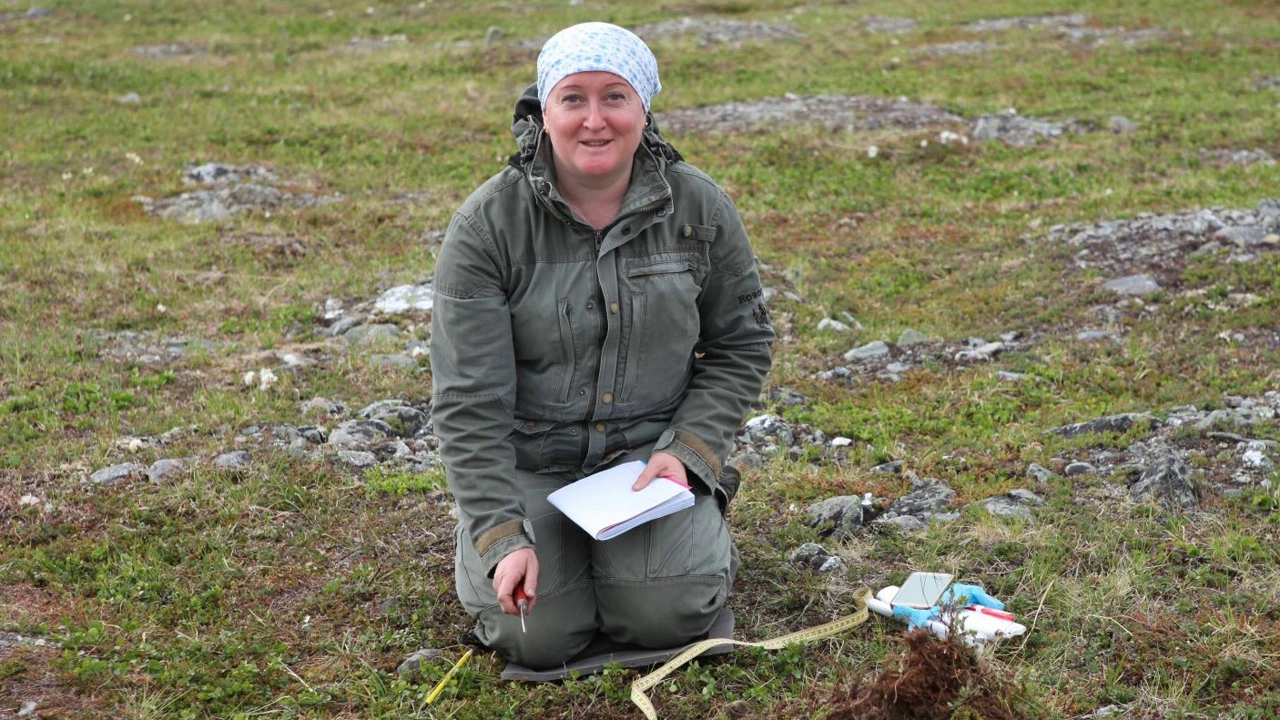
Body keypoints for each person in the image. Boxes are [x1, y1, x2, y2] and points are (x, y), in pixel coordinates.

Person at [429, 21, 774, 670]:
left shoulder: (700, 208)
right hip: (529, 461)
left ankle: (692, 527)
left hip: (648, 464)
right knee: (533, 633)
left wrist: (689, 450)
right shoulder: (486, 227)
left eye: (615, 97)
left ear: (644, 109)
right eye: (573, 98)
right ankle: (502, 542)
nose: (594, 120)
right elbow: (468, 401)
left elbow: (742, 344)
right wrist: (503, 534)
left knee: (665, 612)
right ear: (543, 111)